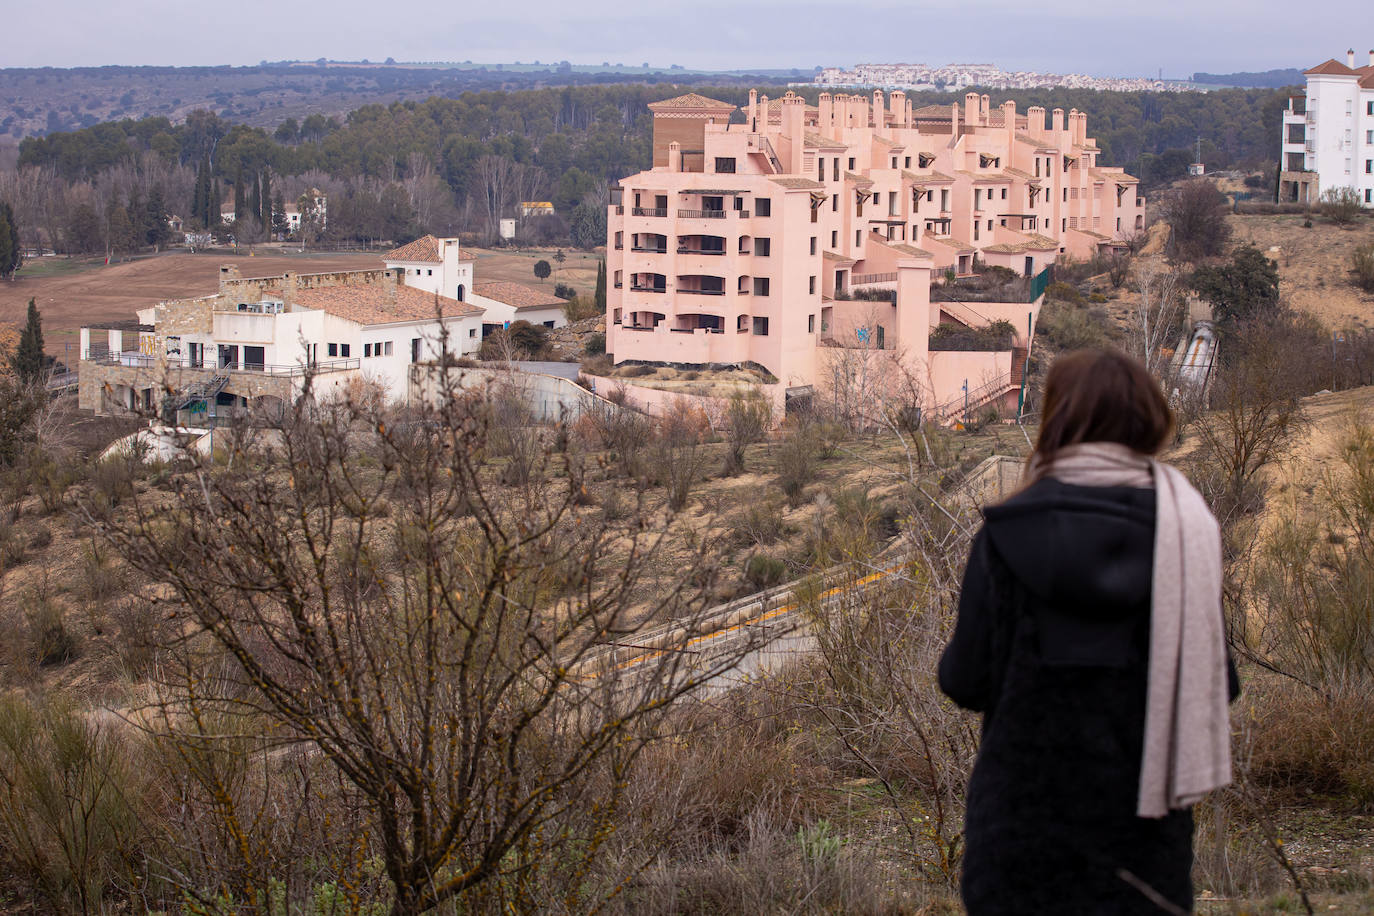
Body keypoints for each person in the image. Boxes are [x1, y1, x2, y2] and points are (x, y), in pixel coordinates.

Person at [939, 348, 1239, 915]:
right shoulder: (1187, 532)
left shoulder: (1005, 531)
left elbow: (964, 682)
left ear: (1057, 418)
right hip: (1144, 830)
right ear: (1149, 419)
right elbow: (1219, 685)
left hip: (1020, 824)